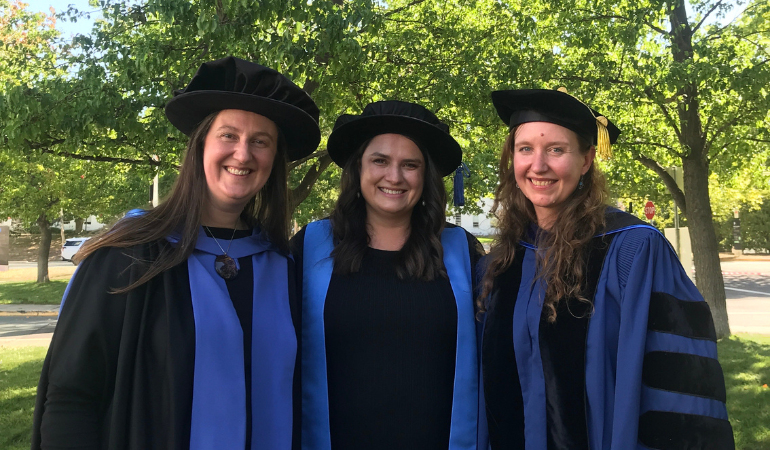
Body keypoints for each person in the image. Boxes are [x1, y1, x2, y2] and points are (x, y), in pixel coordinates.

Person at [31, 56, 321, 450]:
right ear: (200, 145)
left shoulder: (282, 266)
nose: (243, 154)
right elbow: (70, 397)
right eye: (228, 135)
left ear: (274, 160)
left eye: (260, 141)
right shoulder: (128, 256)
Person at [479, 88, 735, 449]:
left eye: (556, 150)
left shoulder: (633, 250)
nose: (538, 165)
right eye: (525, 149)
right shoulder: (501, 262)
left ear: (586, 160)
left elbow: (679, 384)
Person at [291, 101, 486, 450]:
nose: (394, 177)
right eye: (379, 161)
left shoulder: (461, 252)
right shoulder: (310, 247)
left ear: (425, 177)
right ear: (358, 168)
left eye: (410, 165)